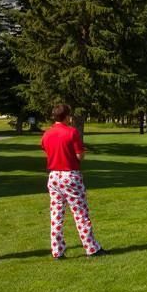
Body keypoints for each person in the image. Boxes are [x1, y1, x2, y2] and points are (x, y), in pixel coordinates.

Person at [41, 103, 104, 259]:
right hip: (70, 175)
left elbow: (46, 150)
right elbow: (79, 156)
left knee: (56, 215)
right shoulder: (72, 132)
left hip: (54, 176)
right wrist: (82, 153)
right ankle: (91, 248)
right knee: (80, 213)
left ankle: (57, 250)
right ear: (67, 116)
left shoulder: (47, 134)